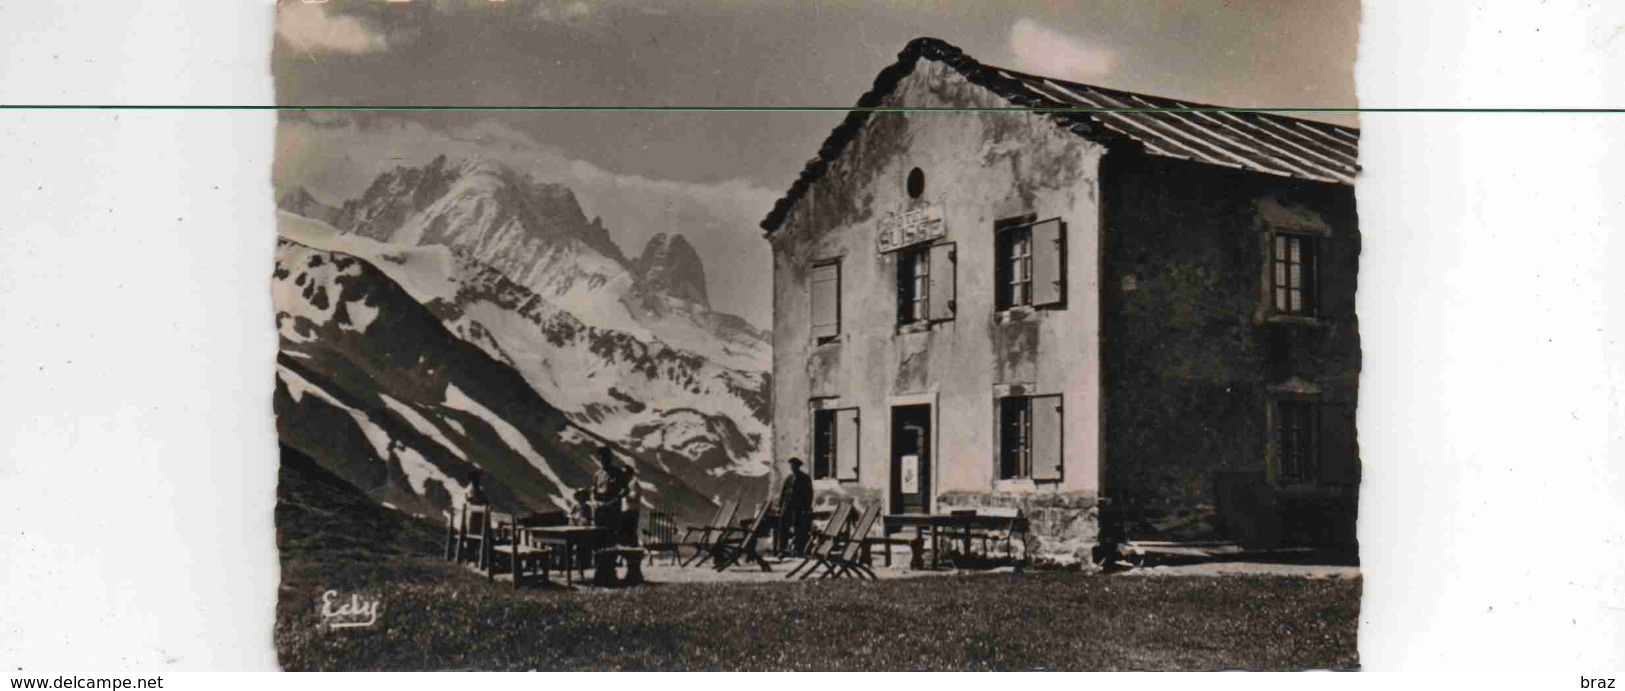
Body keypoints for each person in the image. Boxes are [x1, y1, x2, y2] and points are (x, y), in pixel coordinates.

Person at [777, 457, 814, 556]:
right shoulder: (788, 478)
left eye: (794, 465)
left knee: (800, 529)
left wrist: (807, 507)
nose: (792, 467)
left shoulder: (805, 478)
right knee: (783, 528)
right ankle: (782, 549)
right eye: (791, 465)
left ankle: (799, 550)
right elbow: (783, 493)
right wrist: (780, 506)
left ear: (798, 466)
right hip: (787, 507)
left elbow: (809, 494)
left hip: (799, 508)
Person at [617, 464, 642, 547]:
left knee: (630, 533)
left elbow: (634, 497)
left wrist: (625, 495)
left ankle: (634, 553)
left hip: (632, 511)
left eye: (625, 473)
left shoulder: (634, 483)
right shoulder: (625, 483)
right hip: (626, 511)